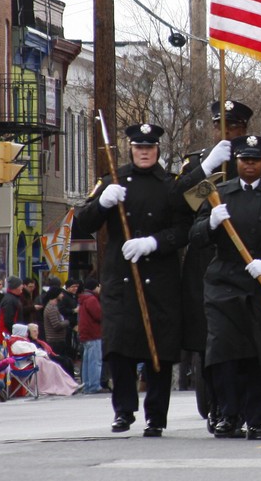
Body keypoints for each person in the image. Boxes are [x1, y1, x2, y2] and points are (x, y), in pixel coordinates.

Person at [73, 122, 190, 437]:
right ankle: (123, 411)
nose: (144, 153)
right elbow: (83, 221)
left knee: (159, 353)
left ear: (157, 150)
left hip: (160, 279)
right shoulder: (112, 180)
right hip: (121, 280)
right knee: (120, 349)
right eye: (139, 148)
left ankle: (156, 416)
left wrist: (154, 242)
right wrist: (103, 202)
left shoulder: (171, 185)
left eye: (149, 148)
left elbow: (184, 230)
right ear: (131, 149)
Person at [190, 133, 261, 441]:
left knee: (259, 356)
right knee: (223, 353)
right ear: (236, 161)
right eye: (244, 160)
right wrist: (210, 223)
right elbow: (195, 237)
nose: (249, 165)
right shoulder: (217, 193)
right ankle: (227, 413)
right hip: (224, 283)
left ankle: (256, 419)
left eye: (255, 160)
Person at [175, 99, 243, 432]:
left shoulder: (256, 160)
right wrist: (207, 171)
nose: (226, 131)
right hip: (205, 263)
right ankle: (215, 404)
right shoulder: (199, 163)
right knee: (208, 344)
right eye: (221, 125)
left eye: (233, 126)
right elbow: (182, 203)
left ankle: (241, 406)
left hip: (245, 262)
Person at [77, 278, 104, 394]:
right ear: (95, 287)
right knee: (95, 361)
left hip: (85, 333)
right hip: (94, 334)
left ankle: (87, 384)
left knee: (87, 361)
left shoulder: (83, 299)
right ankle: (94, 385)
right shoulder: (92, 299)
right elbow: (99, 315)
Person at [0, 276, 25, 342]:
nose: (22, 287)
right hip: (7, 336)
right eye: (20, 285)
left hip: (10, 335)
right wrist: (16, 333)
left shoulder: (13, 298)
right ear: (16, 287)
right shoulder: (10, 300)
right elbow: (8, 320)